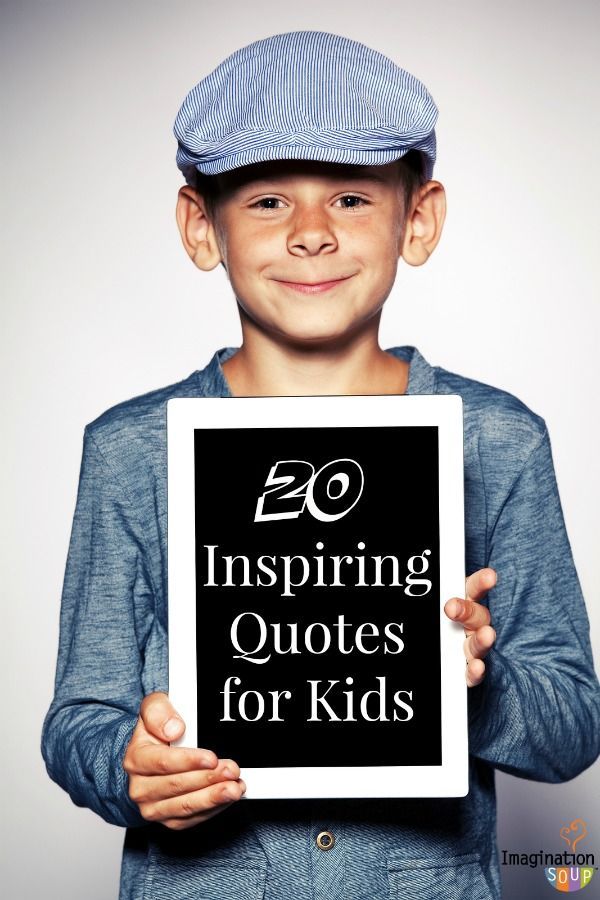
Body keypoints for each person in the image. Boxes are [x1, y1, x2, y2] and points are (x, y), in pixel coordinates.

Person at [41, 30, 600, 900]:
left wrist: (478, 688)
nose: (310, 235)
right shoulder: (129, 450)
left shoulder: (497, 440)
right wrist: (129, 768)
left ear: (418, 219)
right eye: (266, 201)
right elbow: (79, 719)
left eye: (349, 198)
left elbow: (573, 728)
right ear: (201, 225)